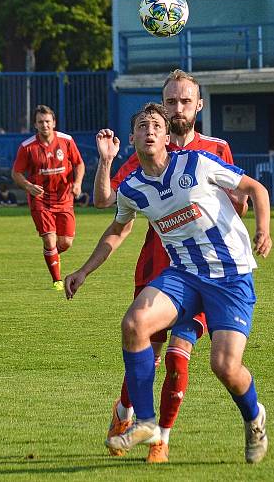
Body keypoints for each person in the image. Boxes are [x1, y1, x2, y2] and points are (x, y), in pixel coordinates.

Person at [65, 103, 272, 464]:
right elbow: (115, 229)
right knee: (134, 324)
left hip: (230, 276)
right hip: (183, 275)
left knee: (224, 367)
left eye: (156, 125)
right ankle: (144, 422)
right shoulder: (132, 188)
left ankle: (255, 417)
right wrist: (83, 270)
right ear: (132, 138)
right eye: (142, 125)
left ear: (166, 136)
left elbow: (255, 188)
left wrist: (263, 230)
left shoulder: (195, 163)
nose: (149, 130)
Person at [93, 69, 248, 463]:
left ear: (198, 105)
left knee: (180, 355)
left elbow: (238, 199)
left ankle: (161, 436)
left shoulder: (214, 149)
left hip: (208, 272)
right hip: (158, 270)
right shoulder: (147, 149)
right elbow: (112, 204)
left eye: (184, 101)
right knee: (148, 348)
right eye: (171, 101)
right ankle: (125, 411)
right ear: (162, 106)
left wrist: (242, 208)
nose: (177, 108)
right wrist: (106, 162)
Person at [12, 104, 85, 291]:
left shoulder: (66, 141)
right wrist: (29, 186)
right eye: (40, 122)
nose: (44, 125)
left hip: (64, 198)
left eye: (47, 121)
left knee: (66, 243)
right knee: (49, 240)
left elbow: (79, 164)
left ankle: (51, 255)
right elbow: (16, 173)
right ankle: (57, 280)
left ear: (53, 122)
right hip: (41, 200)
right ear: (35, 125)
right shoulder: (27, 147)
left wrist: (77, 184)